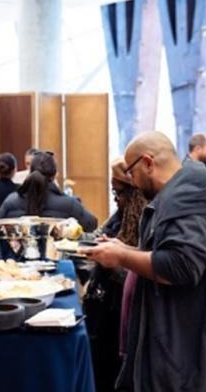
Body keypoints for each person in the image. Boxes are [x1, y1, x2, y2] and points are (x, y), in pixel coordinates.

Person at [81, 131, 206, 391]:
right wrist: (124, 247)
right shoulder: (178, 192)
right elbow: (166, 249)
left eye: (132, 171)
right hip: (173, 337)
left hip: (180, 342)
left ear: (148, 163)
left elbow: (181, 266)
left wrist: (122, 256)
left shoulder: (186, 194)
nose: (133, 182)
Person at [83, 157, 147, 392]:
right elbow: (103, 232)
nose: (114, 197)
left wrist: (115, 260)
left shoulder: (144, 217)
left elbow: (143, 269)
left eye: (118, 191)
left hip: (123, 305)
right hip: (109, 301)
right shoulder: (121, 212)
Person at [0, 150, 97, 232]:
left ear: (30, 172)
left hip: (14, 255)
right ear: (54, 175)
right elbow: (91, 224)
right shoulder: (70, 204)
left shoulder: (10, 201)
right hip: (59, 255)